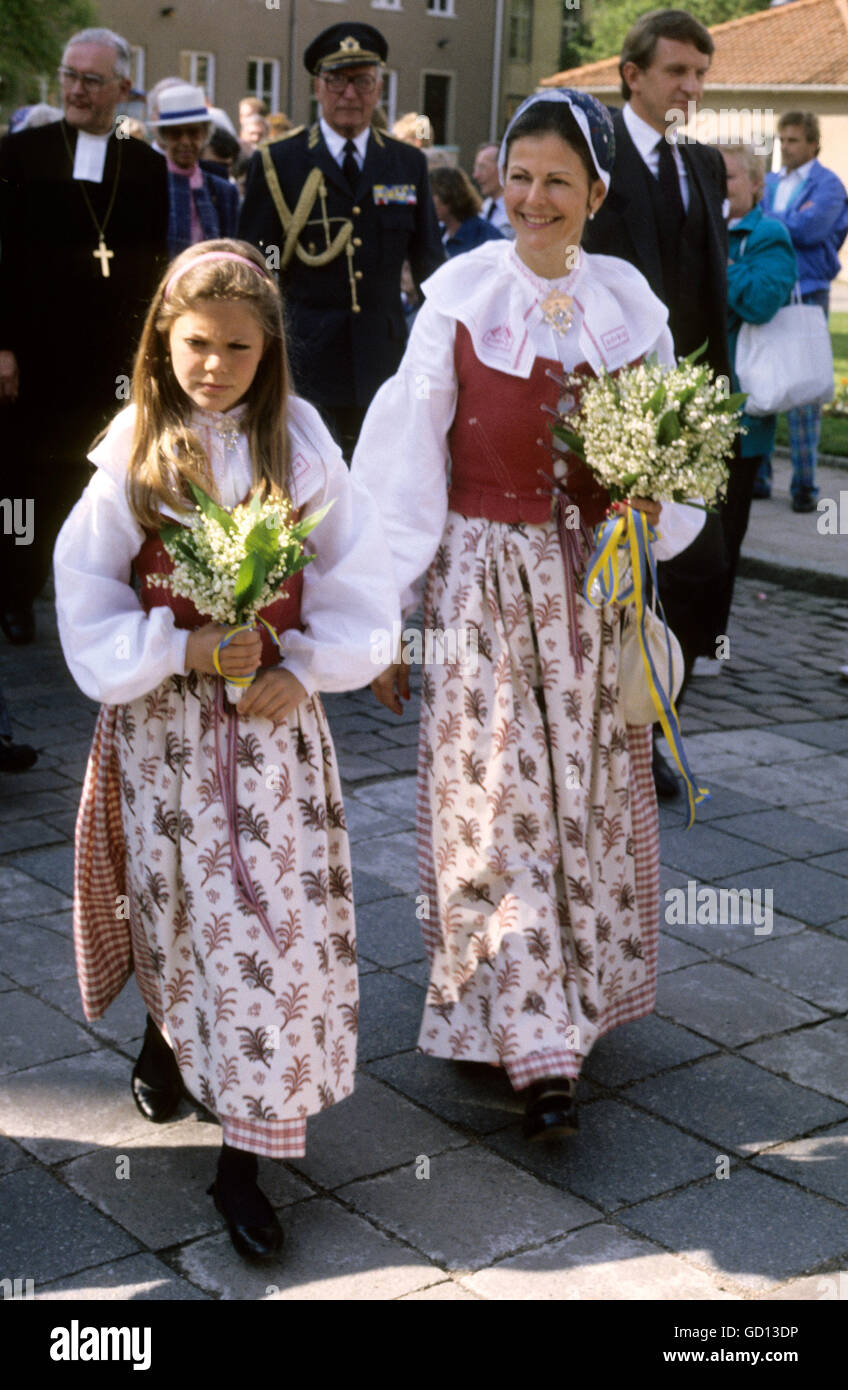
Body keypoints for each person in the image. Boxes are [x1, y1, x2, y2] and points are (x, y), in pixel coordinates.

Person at [352, 92, 704, 1140]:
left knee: (583, 802)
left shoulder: (629, 304)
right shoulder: (459, 295)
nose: (532, 199)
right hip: (482, 592)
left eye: (556, 181)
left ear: (596, 193)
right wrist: (386, 617)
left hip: (591, 592)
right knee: (494, 801)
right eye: (517, 176)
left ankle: (570, 1004)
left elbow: (672, 451)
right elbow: (404, 472)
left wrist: (650, 505)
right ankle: (526, 1038)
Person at [54, 238, 398, 1260]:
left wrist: (313, 662)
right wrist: (179, 643)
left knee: (267, 929)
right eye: (197, 344)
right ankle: (167, 1036)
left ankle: (242, 1160)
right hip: (165, 729)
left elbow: (356, 572)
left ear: (268, 350)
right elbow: (88, 593)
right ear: (164, 339)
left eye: (238, 348)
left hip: (272, 734)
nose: (214, 366)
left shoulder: (296, 439)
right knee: (179, 909)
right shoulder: (137, 444)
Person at [582, 8, 735, 798]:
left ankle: (655, 720)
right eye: (677, 71)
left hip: (695, 413)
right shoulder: (595, 158)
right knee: (620, 584)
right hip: (612, 411)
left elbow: (709, 290)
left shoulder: (704, 164)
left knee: (701, 571)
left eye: (701, 74)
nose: (692, 88)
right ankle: (620, 743)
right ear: (632, 74)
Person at [0, 27, 169, 646]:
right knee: (20, 487)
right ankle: (13, 593)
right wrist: (3, 345)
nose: (75, 89)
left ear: (123, 89)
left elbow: (154, 268)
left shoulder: (146, 167)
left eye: (91, 80)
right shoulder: (20, 154)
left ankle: (98, 602)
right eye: (69, 75)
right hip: (32, 358)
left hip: (109, 364)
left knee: (98, 483)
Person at [238, 22, 444, 459]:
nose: (349, 94)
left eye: (362, 82)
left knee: (380, 485)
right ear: (317, 86)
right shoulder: (279, 162)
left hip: (385, 363)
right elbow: (256, 269)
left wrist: (443, 348)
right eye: (336, 81)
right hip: (305, 363)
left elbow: (430, 265)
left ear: (378, 87)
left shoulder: (406, 163)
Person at [758, 112, 848, 511]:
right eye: (783, 139)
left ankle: (805, 488)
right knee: (761, 383)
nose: (787, 146)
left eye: (794, 140)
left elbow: (810, 230)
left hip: (808, 294)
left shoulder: (828, 185)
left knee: (804, 395)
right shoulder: (770, 181)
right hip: (767, 293)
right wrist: (781, 223)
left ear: (813, 143)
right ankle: (759, 478)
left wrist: (768, 223)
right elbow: (751, 220)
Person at [721, 144, 796, 608]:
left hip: (740, 410)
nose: (718, 188)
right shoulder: (694, 226)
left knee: (723, 536)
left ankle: (709, 642)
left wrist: (721, 266)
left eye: (728, 177)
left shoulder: (768, 234)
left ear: (755, 185)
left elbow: (762, 300)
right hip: (684, 400)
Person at [151, 83, 239, 258]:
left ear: (205, 134)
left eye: (193, 133)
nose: (185, 141)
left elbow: (232, 254)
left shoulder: (223, 192)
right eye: (176, 134)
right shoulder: (149, 185)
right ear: (163, 137)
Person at [429, 165, 504, 257]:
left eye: (431, 195)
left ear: (449, 194)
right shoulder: (437, 235)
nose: (427, 202)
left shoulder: (485, 235)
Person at [473, 141, 515, 239]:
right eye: (476, 168)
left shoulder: (516, 211)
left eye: (482, 167)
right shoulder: (484, 207)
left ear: (502, 170)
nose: (476, 175)